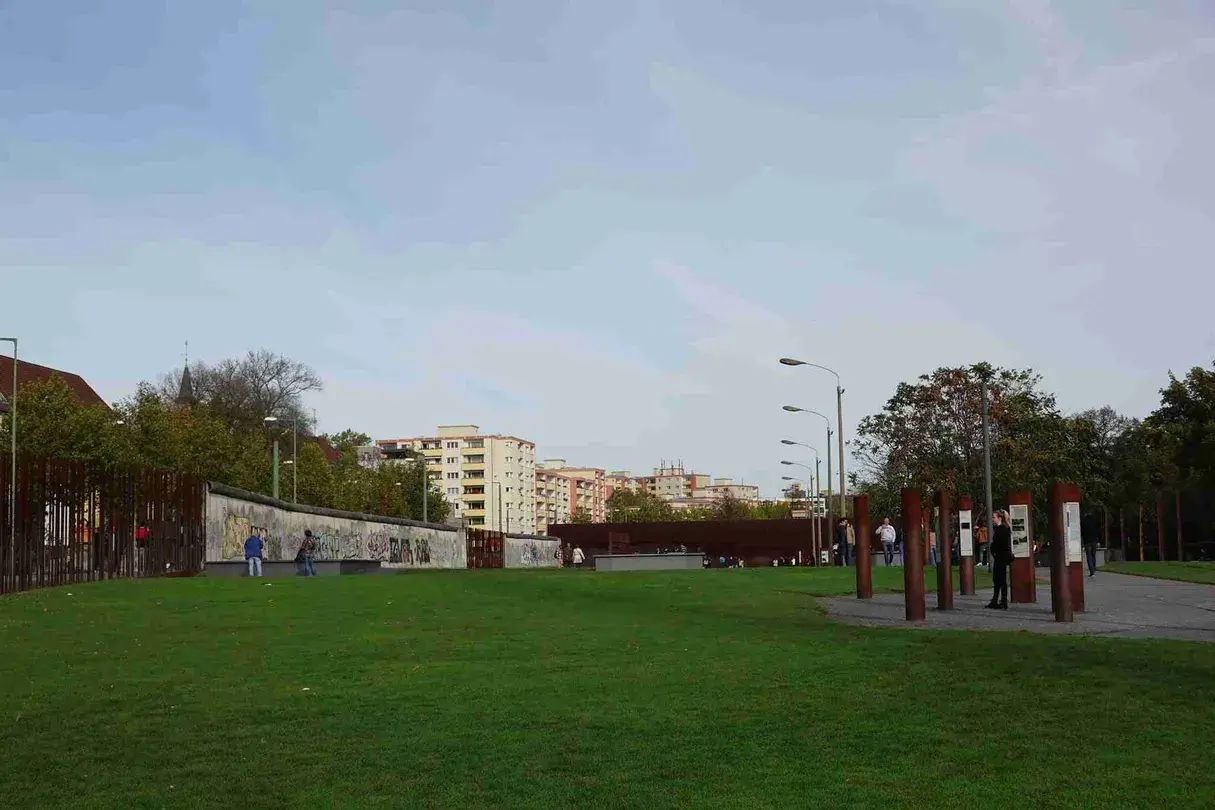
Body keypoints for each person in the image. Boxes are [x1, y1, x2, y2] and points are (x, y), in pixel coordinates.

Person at [987, 510, 1013, 609]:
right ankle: (996, 600)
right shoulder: (999, 529)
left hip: (1001, 556)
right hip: (999, 556)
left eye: (994, 517)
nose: (992, 519)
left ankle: (1003, 601)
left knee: (1001, 579)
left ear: (999, 518)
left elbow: (1000, 544)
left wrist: (993, 548)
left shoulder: (1003, 529)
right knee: (997, 579)